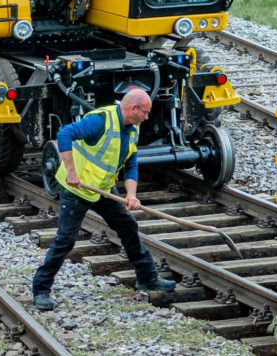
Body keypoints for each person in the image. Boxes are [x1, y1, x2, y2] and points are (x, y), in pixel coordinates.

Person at [32, 88, 175, 310]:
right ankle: (41, 289)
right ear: (134, 108)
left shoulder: (133, 129)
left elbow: (131, 163)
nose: (147, 117)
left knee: (128, 226)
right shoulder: (100, 120)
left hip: (102, 189)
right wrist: (71, 172)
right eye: (145, 113)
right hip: (77, 189)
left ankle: (147, 278)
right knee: (65, 240)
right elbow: (64, 134)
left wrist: (131, 195)